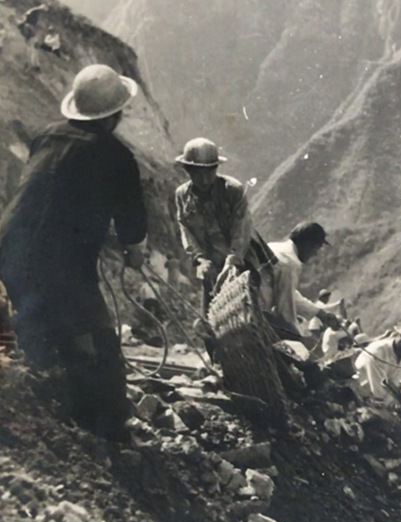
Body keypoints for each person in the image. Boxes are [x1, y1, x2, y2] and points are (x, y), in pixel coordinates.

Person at [0, 64, 148, 440]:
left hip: (9, 248)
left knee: (38, 330)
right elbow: (132, 229)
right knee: (98, 341)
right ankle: (112, 433)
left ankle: (48, 410)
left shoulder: (46, 136)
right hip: (62, 264)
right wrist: (133, 253)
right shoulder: (117, 157)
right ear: (114, 115)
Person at [174, 138, 274, 309]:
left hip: (242, 262)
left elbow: (241, 228)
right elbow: (185, 229)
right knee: (212, 315)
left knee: (254, 311)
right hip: (210, 267)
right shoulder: (182, 195)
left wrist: (232, 261)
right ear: (187, 170)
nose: (205, 180)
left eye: (209, 172)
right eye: (198, 173)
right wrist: (200, 259)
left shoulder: (232, 190)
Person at [266, 222, 339, 335]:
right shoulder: (289, 263)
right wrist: (299, 337)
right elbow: (285, 311)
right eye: (317, 248)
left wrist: (319, 313)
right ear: (308, 243)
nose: (315, 254)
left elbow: (289, 293)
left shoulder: (273, 247)